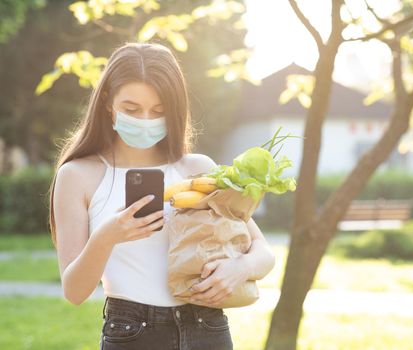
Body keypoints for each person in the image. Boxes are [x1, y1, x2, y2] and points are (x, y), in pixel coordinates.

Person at [48, 42, 276, 350]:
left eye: (158, 111)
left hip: (206, 328)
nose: (144, 120)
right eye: (131, 109)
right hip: (132, 333)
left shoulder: (197, 169)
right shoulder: (78, 175)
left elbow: (262, 251)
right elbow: (74, 292)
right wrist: (106, 236)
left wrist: (240, 269)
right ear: (106, 102)